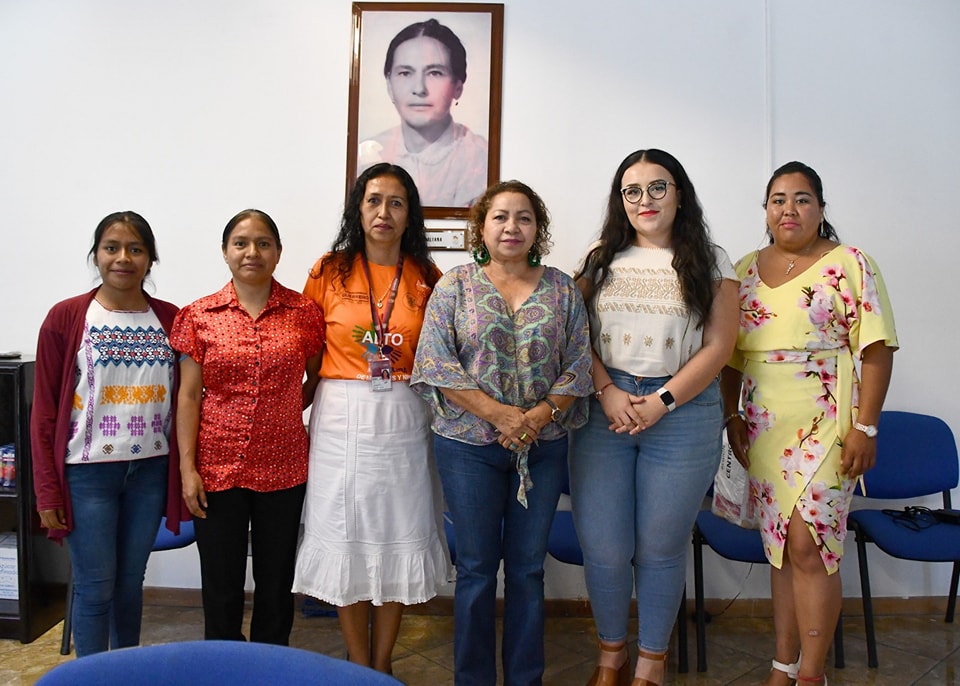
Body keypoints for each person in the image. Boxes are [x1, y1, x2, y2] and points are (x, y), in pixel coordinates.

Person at [720, 162, 897, 686]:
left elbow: (877, 349)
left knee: (809, 543)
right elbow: (727, 357)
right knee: (779, 547)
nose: (789, 209)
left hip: (829, 425)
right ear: (766, 210)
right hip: (764, 429)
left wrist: (866, 428)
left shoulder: (850, 263)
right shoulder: (744, 268)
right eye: (778, 199)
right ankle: (783, 663)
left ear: (821, 208)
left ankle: (811, 674)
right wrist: (732, 416)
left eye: (802, 199)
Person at [411, 180, 594, 686]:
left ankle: (524, 678)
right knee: (474, 570)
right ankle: (472, 679)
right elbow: (435, 364)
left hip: (543, 448)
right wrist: (499, 415)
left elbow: (579, 367)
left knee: (527, 572)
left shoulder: (561, 288)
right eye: (500, 217)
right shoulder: (454, 286)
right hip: (466, 450)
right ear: (481, 227)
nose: (511, 227)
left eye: (524, 218)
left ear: (538, 229)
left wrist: (535, 418)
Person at [570, 149, 740, 686]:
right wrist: (606, 390)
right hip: (606, 412)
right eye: (632, 190)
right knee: (604, 548)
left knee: (661, 549)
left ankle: (651, 663)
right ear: (621, 201)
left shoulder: (712, 259)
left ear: (680, 194)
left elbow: (720, 345)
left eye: (657, 187)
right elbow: (572, 333)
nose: (645, 200)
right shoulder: (601, 256)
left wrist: (661, 401)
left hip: (683, 415)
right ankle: (610, 654)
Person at [292, 163, 450, 674]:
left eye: (396, 203)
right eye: (374, 200)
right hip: (339, 415)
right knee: (345, 535)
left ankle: (382, 665)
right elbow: (308, 351)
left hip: (404, 415)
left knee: (395, 533)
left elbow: (444, 353)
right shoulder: (327, 270)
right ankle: (357, 665)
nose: (384, 212)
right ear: (358, 209)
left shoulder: (428, 277)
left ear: (410, 216)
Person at [31, 211, 186, 657]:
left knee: (128, 586)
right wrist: (47, 493)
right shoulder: (67, 318)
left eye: (135, 249)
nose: (123, 258)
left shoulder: (172, 320)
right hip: (86, 477)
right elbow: (43, 414)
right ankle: (93, 675)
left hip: (149, 473)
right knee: (96, 588)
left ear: (150, 259)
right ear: (96, 256)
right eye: (112, 248)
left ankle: (125, 671)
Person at [170, 209, 324, 645]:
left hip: (284, 467)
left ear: (277, 253)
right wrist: (187, 468)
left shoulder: (304, 313)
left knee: (276, 583)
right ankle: (224, 666)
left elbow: (315, 377)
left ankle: (271, 664)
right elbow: (188, 396)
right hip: (217, 468)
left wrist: (285, 409)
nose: (251, 252)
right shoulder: (198, 315)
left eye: (263, 243)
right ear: (225, 252)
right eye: (240, 243)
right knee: (221, 584)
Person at [357, 18, 488, 207]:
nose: (419, 89)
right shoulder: (368, 155)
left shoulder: (480, 158)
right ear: (389, 85)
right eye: (405, 73)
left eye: (434, 73)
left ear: (457, 86)